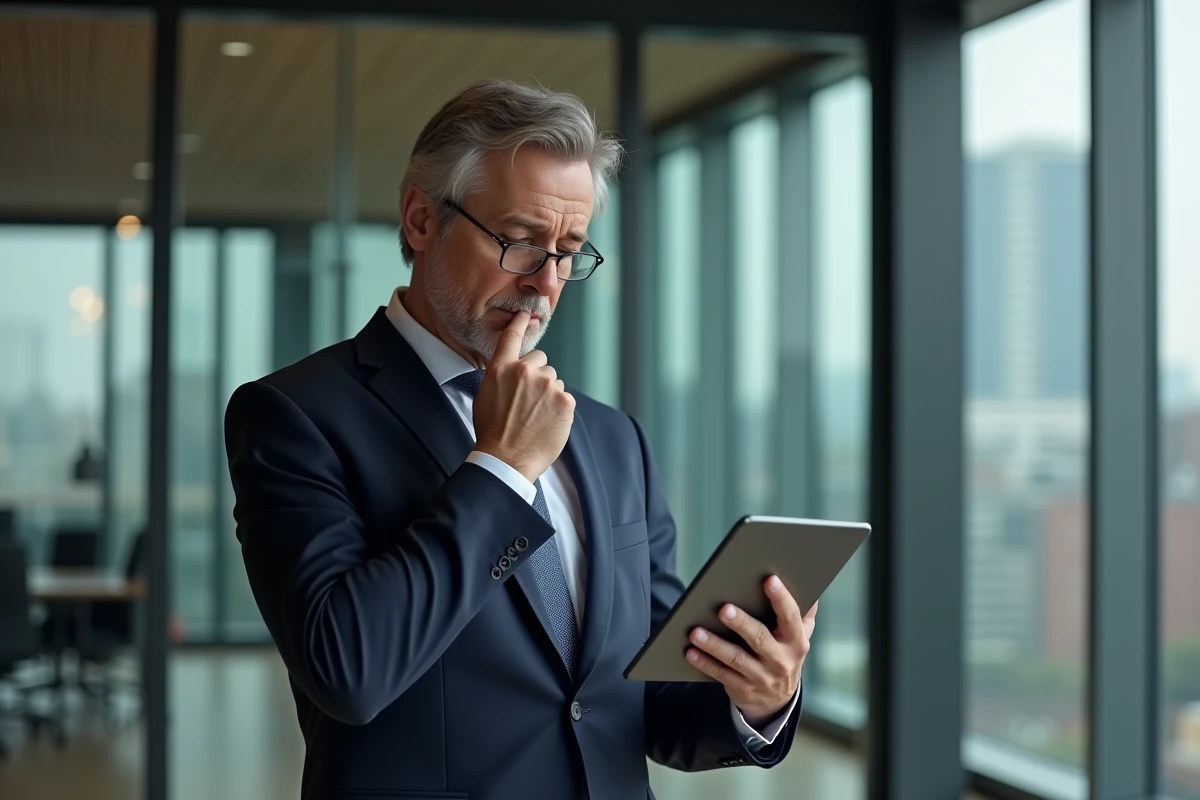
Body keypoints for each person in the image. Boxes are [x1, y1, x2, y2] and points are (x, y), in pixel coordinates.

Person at [224, 79, 817, 800]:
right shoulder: (296, 415)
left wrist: (757, 696)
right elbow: (346, 670)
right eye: (520, 242)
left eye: (570, 250)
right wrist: (500, 470)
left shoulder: (611, 437)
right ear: (419, 219)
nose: (546, 282)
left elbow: (644, 703)